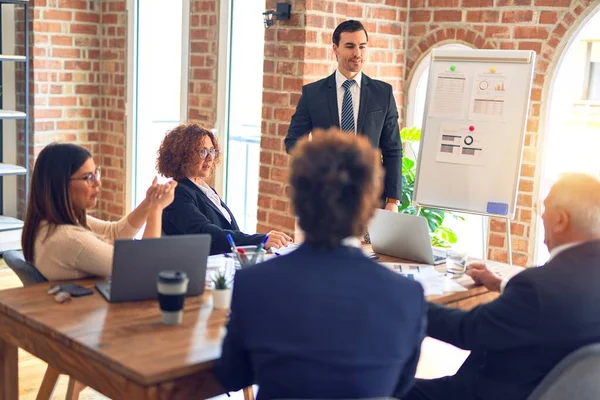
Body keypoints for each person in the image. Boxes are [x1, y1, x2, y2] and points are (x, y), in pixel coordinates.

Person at [216, 129, 425, 399]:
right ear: (370, 203)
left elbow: (233, 375)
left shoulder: (254, 284)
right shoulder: (408, 296)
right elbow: (399, 386)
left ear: (296, 200)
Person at [403, 173, 600, 400]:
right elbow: (559, 304)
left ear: (561, 220)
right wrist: (503, 284)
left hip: (491, 393)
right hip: (554, 389)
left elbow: (466, 331)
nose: (542, 217)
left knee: (384, 384)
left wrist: (405, 299)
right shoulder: (556, 285)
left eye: (544, 209)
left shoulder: (537, 288)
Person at [284, 19, 402, 212]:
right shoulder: (313, 94)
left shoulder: (383, 94)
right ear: (335, 49)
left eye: (362, 47)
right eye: (350, 46)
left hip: (371, 200)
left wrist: (392, 200)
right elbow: (293, 142)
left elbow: (393, 150)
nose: (357, 53)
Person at [22, 143, 176, 281]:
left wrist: (149, 202)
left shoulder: (50, 222)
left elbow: (113, 233)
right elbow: (143, 266)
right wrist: (156, 209)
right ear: (60, 185)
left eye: (96, 173)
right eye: (88, 177)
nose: (98, 182)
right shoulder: (70, 239)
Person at [156, 123, 292, 255]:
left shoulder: (204, 189)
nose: (210, 158)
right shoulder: (177, 193)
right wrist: (260, 240)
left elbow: (228, 230)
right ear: (182, 156)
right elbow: (207, 233)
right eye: (202, 151)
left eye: (212, 150)